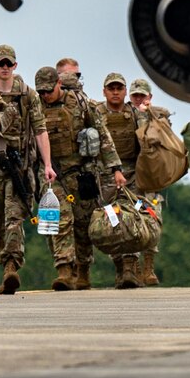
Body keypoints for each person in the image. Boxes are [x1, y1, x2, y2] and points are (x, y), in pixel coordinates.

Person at [39, 64, 122, 289]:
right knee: (60, 218)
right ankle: (65, 269)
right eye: (41, 92)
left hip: (81, 173)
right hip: (53, 175)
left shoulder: (81, 104)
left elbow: (103, 136)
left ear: (58, 84)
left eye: (48, 90)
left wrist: (115, 168)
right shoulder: (36, 108)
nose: (45, 95)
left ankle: (83, 269)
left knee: (83, 223)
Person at [0, 44, 54, 294]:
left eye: (8, 64)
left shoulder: (28, 95)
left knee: (15, 216)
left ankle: (11, 265)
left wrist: (47, 164)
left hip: (19, 165)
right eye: (0, 63)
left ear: (15, 66)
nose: (4, 68)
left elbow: (40, 129)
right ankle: (5, 260)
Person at [97, 71, 154, 290]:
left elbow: (148, 137)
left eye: (119, 88)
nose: (115, 92)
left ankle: (131, 265)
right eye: (111, 88)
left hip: (132, 176)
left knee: (134, 215)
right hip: (105, 177)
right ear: (104, 91)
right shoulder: (97, 113)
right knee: (113, 220)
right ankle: (120, 265)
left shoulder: (135, 113)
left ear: (125, 92)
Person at [127, 78, 172, 286]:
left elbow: (162, 137)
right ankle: (133, 267)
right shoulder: (123, 114)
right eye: (135, 95)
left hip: (150, 179)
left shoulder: (158, 116)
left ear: (149, 97)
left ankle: (148, 267)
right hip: (129, 178)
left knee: (153, 218)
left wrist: (148, 114)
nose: (138, 99)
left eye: (142, 95)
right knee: (131, 220)